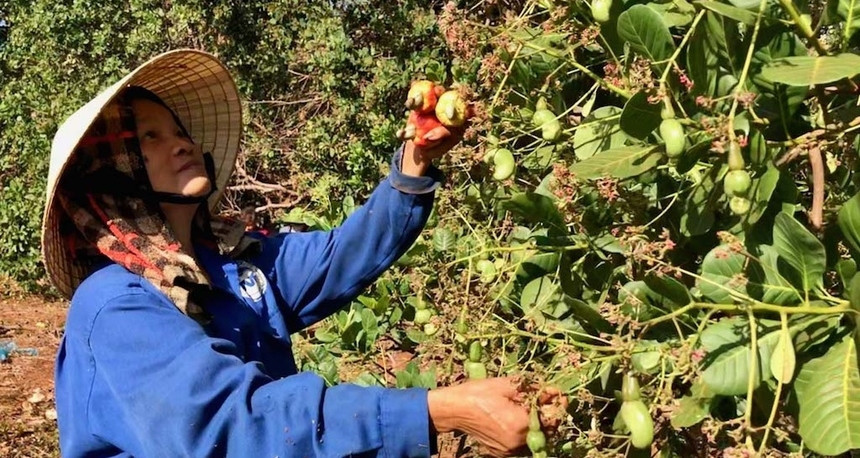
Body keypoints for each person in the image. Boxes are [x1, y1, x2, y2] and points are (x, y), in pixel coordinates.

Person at [42, 49, 545, 457]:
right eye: (149, 137)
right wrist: (434, 411)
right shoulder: (116, 306)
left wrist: (414, 162)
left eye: (178, 131)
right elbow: (235, 428)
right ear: (109, 171)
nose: (181, 145)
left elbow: (337, 258)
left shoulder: (229, 264)